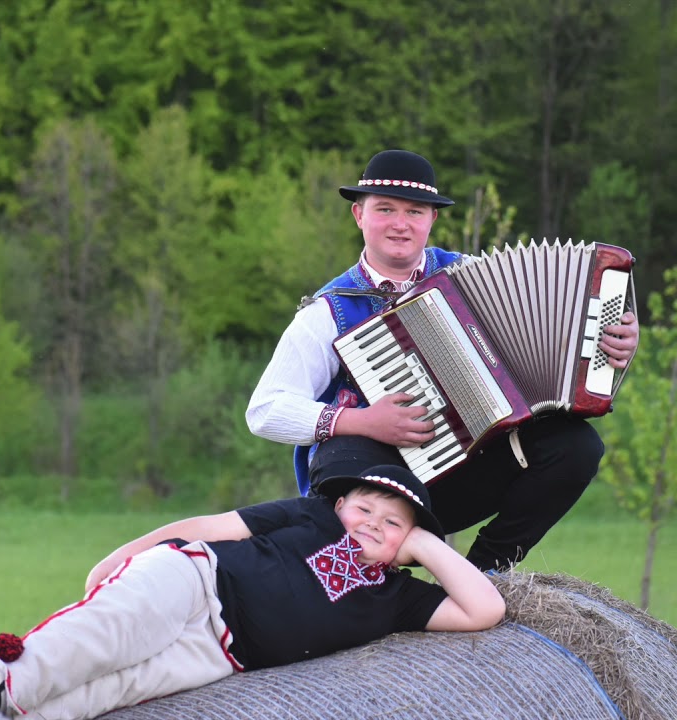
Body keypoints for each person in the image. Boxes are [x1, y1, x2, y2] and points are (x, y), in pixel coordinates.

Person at [245, 149, 640, 574]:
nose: (400, 223)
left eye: (415, 211)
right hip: (372, 483)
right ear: (359, 215)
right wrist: (362, 422)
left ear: (432, 219)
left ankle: (485, 573)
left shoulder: (473, 274)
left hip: (458, 478)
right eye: (385, 209)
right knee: (343, 452)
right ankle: (362, 582)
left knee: (576, 446)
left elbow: (553, 324)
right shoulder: (328, 311)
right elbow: (265, 410)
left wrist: (609, 343)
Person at [0, 464, 505, 720]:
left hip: (217, 657)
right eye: (365, 508)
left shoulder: (399, 597)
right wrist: (120, 557)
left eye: (393, 524)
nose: (373, 525)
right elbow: (213, 527)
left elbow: (486, 608)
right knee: (106, 636)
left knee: (113, 691)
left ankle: (5, 715)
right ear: (339, 504)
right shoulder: (313, 515)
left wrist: (429, 546)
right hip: (195, 582)